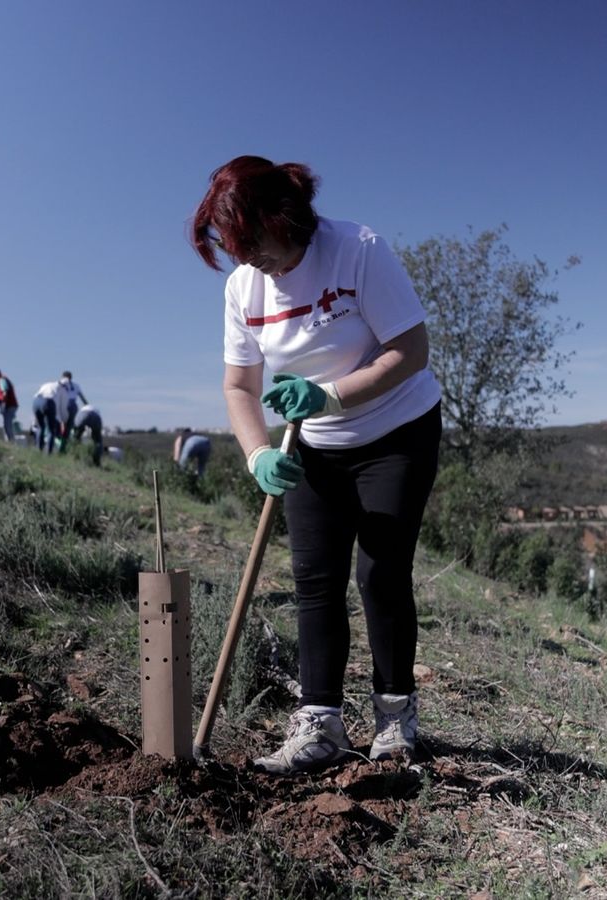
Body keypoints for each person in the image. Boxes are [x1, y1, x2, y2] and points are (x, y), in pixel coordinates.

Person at [191, 155, 443, 775]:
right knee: (314, 581)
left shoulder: (357, 249)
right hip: (311, 443)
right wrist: (257, 454)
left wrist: (328, 395)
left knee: (380, 572)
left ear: (291, 219)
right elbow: (239, 388)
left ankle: (394, 721)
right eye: (239, 252)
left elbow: (410, 351)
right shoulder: (242, 288)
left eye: (260, 248)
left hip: (395, 431)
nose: (254, 264)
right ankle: (320, 725)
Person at [31, 380, 68, 453]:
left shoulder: (47, 384)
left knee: (40, 428)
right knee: (51, 430)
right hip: (47, 402)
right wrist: (64, 420)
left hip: (36, 401)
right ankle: (49, 453)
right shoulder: (62, 389)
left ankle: (39, 450)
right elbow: (63, 408)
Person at [57, 371, 88, 451]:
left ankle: (60, 444)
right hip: (73, 406)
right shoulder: (76, 385)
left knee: (60, 425)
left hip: (64, 403)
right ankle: (63, 448)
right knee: (68, 428)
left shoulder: (60, 382)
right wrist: (87, 407)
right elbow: (83, 399)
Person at [0, 370, 19, 440]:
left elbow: (5, 392)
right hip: (10, 406)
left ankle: (11, 442)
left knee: (7, 425)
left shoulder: (2, 380)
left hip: (9, 406)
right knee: (7, 425)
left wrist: (3, 406)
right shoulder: (3, 379)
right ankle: (10, 441)